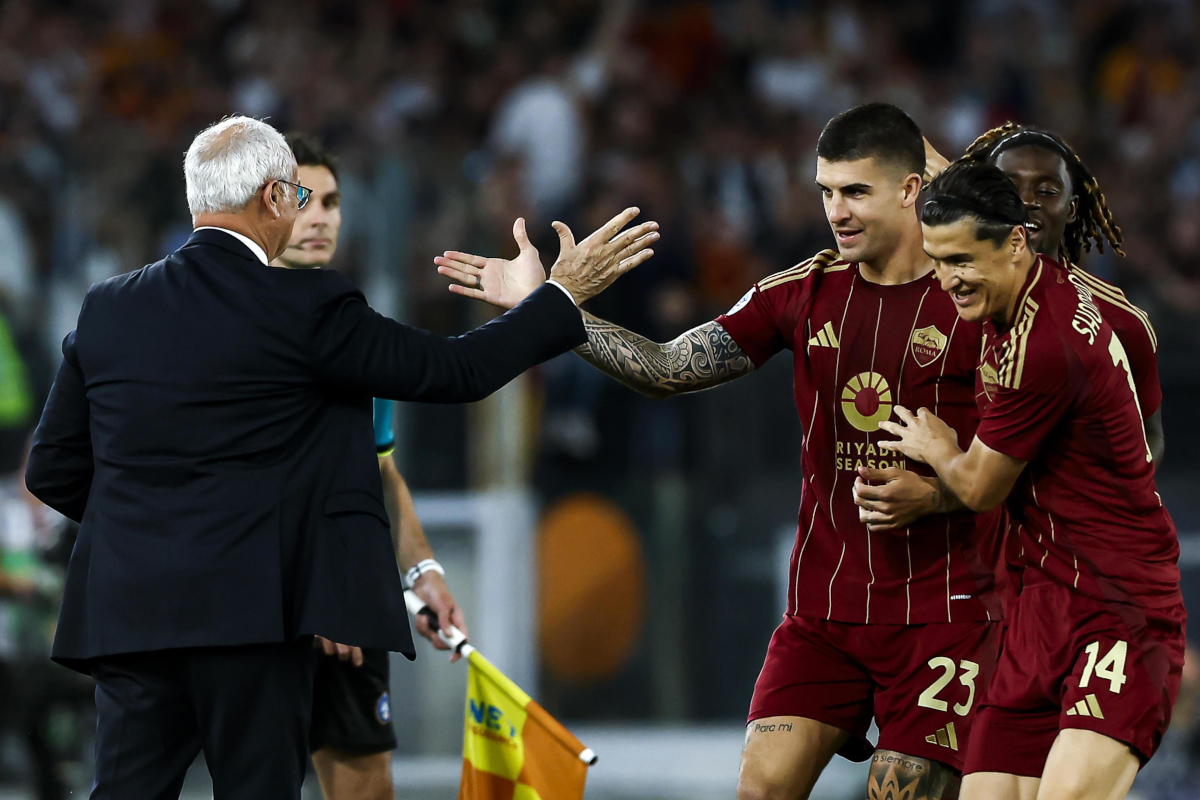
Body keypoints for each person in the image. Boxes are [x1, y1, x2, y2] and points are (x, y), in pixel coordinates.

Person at [23, 115, 658, 800]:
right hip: (253, 617)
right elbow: (453, 372)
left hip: (131, 613)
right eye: (298, 195)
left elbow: (52, 468)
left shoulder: (109, 307)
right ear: (273, 199)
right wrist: (552, 300)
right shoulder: (306, 305)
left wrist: (149, 524)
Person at [436, 103, 1004, 800]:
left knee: (903, 791)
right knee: (760, 789)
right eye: (826, 192)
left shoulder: (978, 299)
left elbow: (1032, 456)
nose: (837, 212)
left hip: (943, 614)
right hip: (824, 617)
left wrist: (941, 490)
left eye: (857, 191)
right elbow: (666, 368)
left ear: (912, 190)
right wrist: (549, 309)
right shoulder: (800, 293)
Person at [879, 161, 1183, 800]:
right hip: (1039, 611)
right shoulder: (1018, 296)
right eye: (936, 259)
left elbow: (981, 487)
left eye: (961, 259)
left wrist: (937, 447)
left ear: (1016, 242)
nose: (946, 279)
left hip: (1117, 608)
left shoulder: (1043, 344)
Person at [270, 132, 467, 800]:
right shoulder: (217, 329)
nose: (320, 215)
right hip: (257, 606)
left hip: (347, 616)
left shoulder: (357, 332)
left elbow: (378, 471)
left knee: (365, 787)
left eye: (331, 200)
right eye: (302, 199)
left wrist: (422, 570)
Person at [924, 124, 1163, 461]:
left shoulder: (1120, 322)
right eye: (1009, 187)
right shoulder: (935, 295)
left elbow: (1149, 438)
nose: (1026, 202)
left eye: (1047, 192)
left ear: (1072, 209)